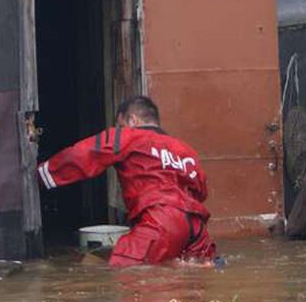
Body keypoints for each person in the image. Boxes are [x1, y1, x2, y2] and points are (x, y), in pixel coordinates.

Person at [37, 95, 216, 268]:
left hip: (160, 221)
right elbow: (201, 191)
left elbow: (83, 155)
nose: (120, 129)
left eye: (120, 125)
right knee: (193, 283)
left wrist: (40, 176)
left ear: (132, 120)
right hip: (197, 229)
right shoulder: (186, 150)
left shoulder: (127, 137)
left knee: (125, 273)